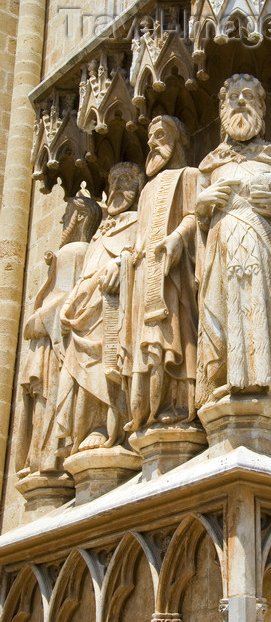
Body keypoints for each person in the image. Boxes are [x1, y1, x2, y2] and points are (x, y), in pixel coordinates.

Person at [195, 73, 271, 409]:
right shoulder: (210, 164)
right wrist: (203, 203)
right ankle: (229, 379)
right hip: (222, 246)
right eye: (233, 97)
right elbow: (198, 220)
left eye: (248, 97)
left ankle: (269, 380)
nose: (240, 102)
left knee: (262, 305)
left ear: (262, 108)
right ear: (222, 108)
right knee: (227, 308)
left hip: (266, 244)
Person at [56, 162, 144, 454]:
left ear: (140, 185)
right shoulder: (100, 231)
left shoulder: (138, 219)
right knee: (79, 373)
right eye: (113, 180)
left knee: (106, 366)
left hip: (110, 304)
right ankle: (84, 429)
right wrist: (70, 302)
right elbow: (85, 272)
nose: (118, 187)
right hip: (83, 309)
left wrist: (121, 263)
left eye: (127, 180)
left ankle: (107, 429)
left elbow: (143, 251)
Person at [16, 196, 102, 476]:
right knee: (47, 402)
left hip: (54, 339)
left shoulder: (74, 251)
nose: (62, 221)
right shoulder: (81, 250)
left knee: (48, 404)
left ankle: (45, 463)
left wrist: (35, 321)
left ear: (79, 218)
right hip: (54, 339)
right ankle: (45, 460)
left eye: (67, 215)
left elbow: (63, 295)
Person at [125, 115, 199, 431]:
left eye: (160, 134)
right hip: (146, 277)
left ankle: (179, 403)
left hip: (176, 272)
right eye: (150, 138)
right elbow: (140, 237)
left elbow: (198, 215)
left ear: (179, 138)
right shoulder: (145, 191)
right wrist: (128, 258)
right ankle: (149, 414)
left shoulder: (190, 175)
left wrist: (179, 236)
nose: (153, 143)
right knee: (149, 345)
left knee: (176, 333)